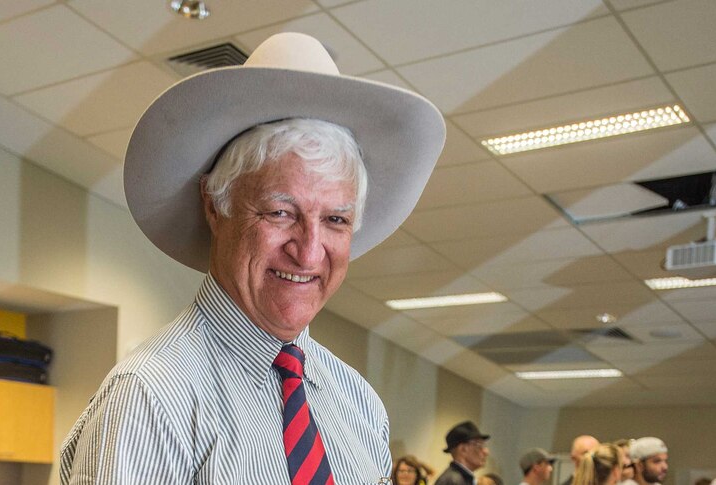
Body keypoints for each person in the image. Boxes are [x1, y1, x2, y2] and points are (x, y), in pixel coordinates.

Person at [58, 32, 445, 484]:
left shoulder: (356, 401)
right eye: (281, 213)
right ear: (214, 204)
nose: (309, 251)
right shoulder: (152, 398)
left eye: (336, 220)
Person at [435, 421, 491, 485]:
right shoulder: (453, 481)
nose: (486, 452)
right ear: (463, 449)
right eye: (479, 445)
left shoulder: (460, 479)